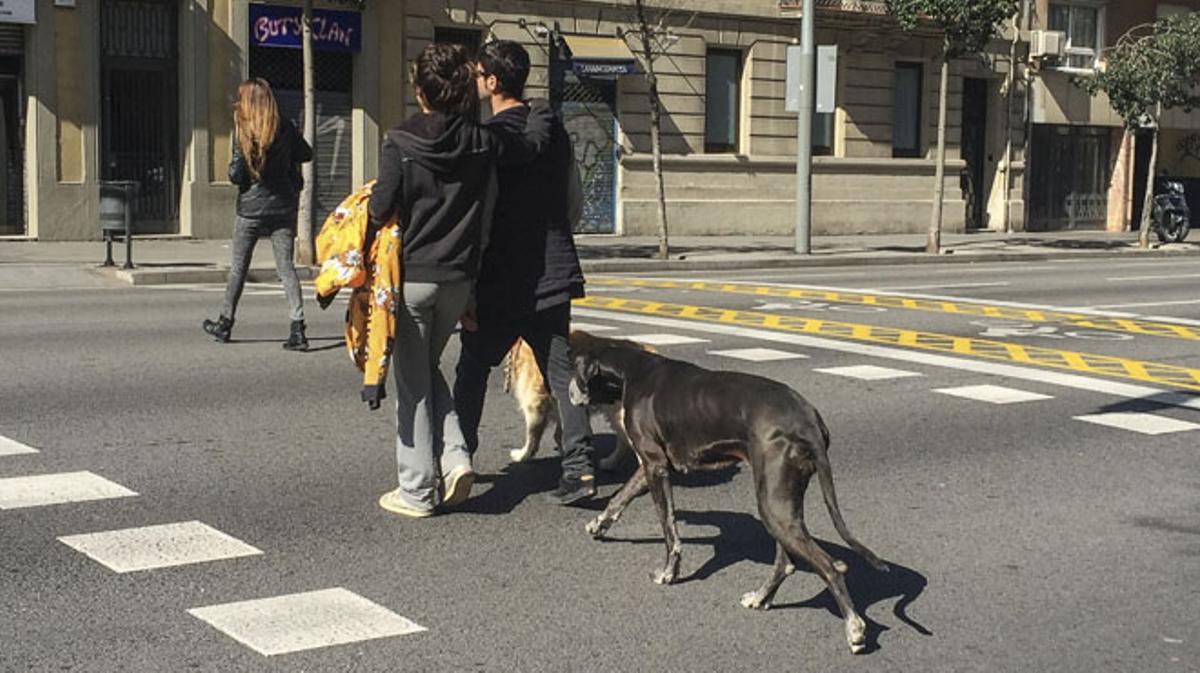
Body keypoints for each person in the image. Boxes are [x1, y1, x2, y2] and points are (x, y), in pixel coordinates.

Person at [368, 43, 521, 518]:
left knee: (412, 384)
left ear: (420, 91)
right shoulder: (480, 142)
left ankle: (416, 489)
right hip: (459, 279)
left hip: (412, 277)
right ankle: (455, 459)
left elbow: (379, 209)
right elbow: (489, 213)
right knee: (425, 370)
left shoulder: (399, 141)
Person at [454, 40, 597, 506]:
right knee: (562, 373)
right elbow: (573, 201)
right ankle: (579, 469)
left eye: (479, 75)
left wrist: (470, 283)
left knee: (474, 366)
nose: (476, 82)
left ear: (493, 82)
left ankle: (459, 458)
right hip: (552, 268)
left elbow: (480, 215)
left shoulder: (487, 139)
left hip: (500, 276)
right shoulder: (553, 133)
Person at [203, 78, 312, 350]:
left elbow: (235, 175)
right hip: (283, 207)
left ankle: (225, 324)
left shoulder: (243, 130)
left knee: (238, 268)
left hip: (250, 210)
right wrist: (286, 165)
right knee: (285, 267)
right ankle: (298, 328)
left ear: (248, 102)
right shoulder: (285, 126)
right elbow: (306, 153)